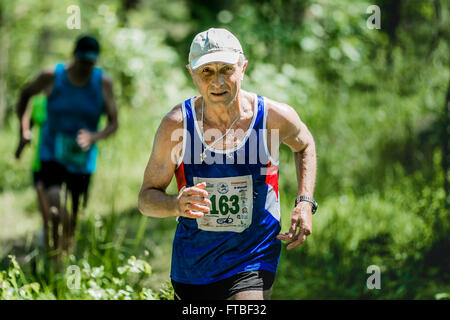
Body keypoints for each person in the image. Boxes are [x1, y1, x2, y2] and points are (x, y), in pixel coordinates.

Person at [138, 28, 317, 300]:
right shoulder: (177, 125)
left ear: (242, 68)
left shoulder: (271, 117)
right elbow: (146, 199)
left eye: (226, 69)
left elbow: (304, 144)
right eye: (206, 71)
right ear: (192, 74)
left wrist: (304, 202)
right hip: (193, 266)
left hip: (253, 255)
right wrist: (176, 204)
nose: (217, 81)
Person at [16, 35, 119, 253]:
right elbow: (25, 94)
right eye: (82, 62)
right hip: (51, 152)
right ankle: (51, 256)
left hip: (82, 159)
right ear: (74, 56)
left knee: (73, 214)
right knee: (55, 206)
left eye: (90, 63)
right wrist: (23, 130)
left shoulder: (103, 83)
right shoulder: (52, 76)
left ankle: (64, 257)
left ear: (96, 61)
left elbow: (114, 123)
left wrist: (93, 137)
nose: (85, 67)